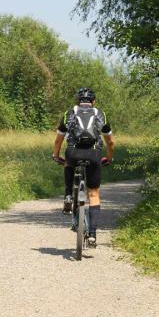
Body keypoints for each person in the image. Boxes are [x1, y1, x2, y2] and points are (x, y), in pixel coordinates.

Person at [51, 87, 114, 246]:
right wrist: (109, 157)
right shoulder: (101, 114)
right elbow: (110, 142)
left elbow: (58, 140)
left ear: (78, 101)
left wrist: (56, 155)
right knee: (93, 194)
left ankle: (68, 195)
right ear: (94, 101)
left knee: (68, 162)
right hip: (94, 155)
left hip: (73, 153)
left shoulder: (69, 114)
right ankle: (92, 235)